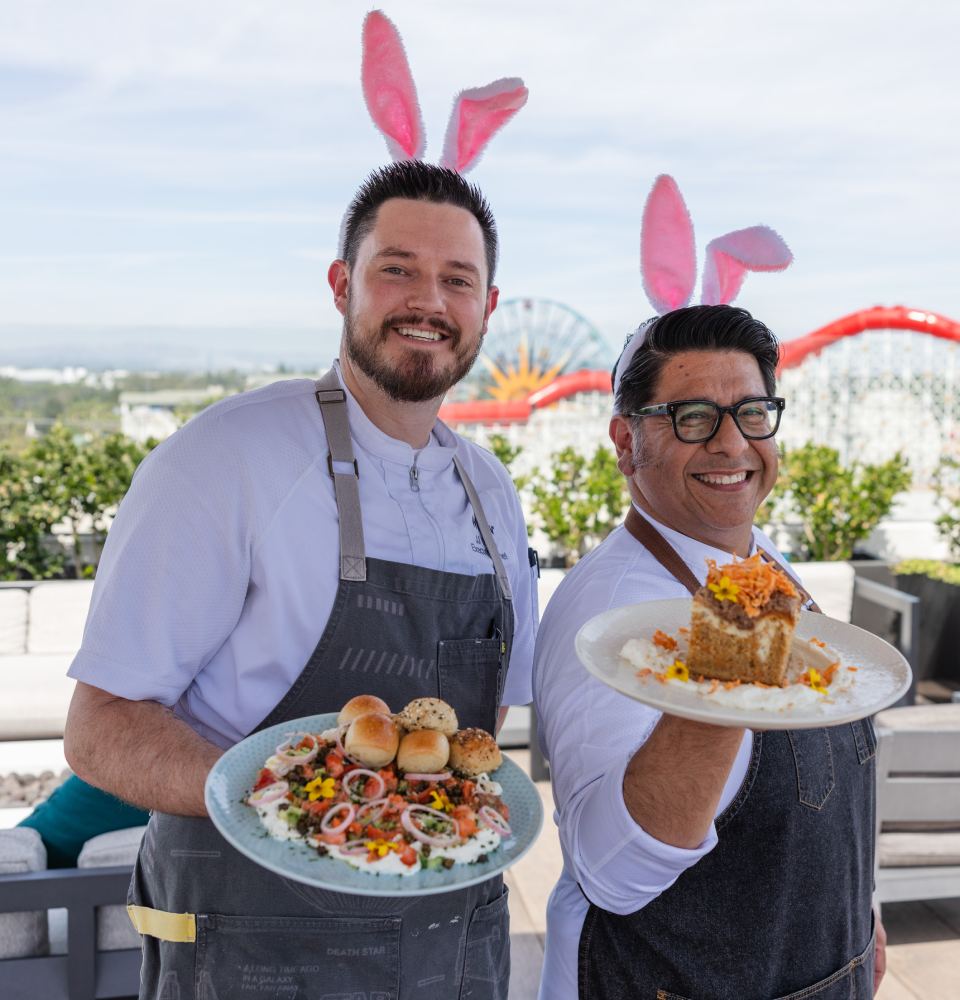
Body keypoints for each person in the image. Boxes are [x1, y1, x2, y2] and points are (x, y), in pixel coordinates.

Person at [63, 159, 538, 1000]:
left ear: (488, 308)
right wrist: (304, 812)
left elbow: (483, 724)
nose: (427, 300)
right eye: (397, 269)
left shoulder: (490, 493)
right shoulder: (226, 458)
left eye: (456, 279)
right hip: (258, 945)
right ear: (341, 282)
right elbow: (101, 727)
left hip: (452, 946)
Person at [533, 304, 886, 999]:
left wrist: (856, 913)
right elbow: (612, 874)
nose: (732, 445)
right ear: (626, 442)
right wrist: (722, 686)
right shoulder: (612, 612)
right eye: (693, 417)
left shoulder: (753, 559)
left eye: (752, 412)